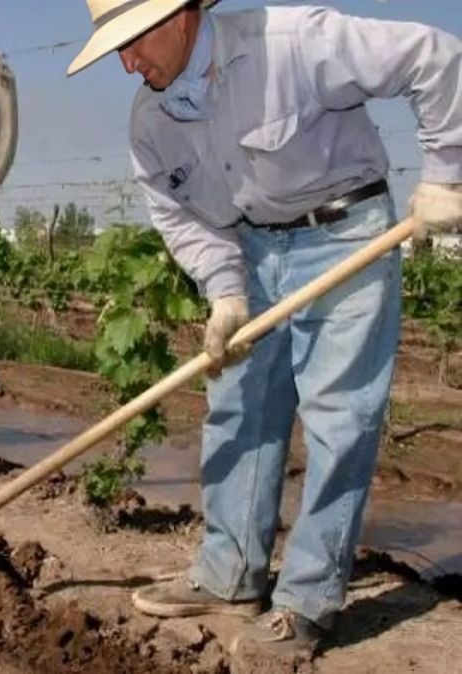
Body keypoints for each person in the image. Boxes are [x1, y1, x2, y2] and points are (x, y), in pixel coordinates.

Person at [66, 0, 462, 664]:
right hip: (251, 252)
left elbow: (436, 57)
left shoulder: (291, 41)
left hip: (346, 237)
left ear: (180, 16)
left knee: (339, 418)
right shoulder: (150, 121)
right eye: (116, 50)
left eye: (132, 42)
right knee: (239, 407)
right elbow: (183, 219)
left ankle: (307, 601)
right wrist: (224, 292)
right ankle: (229, 577)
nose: (128, 64)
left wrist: (447, 174)